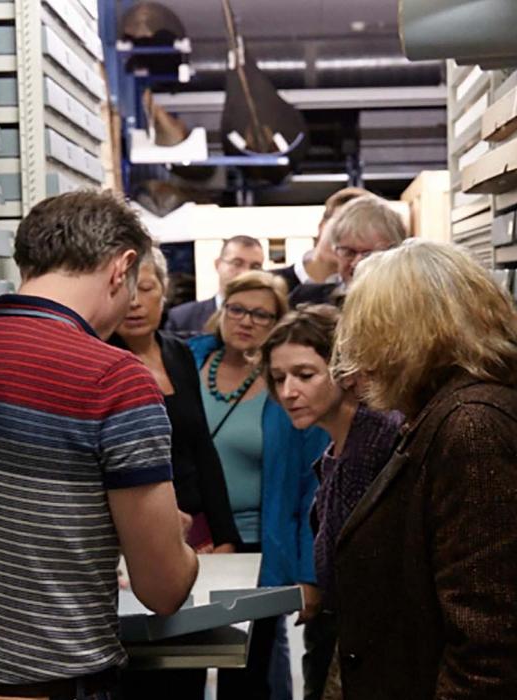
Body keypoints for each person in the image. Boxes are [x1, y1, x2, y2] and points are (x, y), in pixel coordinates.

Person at [0, 190, 199, 700]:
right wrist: (173, 540)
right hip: (57, 685)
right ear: (121, 268)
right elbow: (163, 589)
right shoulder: (115, 378)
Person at [327, 239, 517, 700]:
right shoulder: (446, 415)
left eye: (367, 331)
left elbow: (492, 645)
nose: (358, 351)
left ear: (403, 337)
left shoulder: (472, 429)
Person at [188, 270, 329, 700]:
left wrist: (308, 576)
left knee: (247, 674)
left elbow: (313, 488)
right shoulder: (186, 361)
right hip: (192, 542)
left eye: (261, 315)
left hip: (257, 548)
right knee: (179, 663)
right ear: (221, 310)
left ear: (276, 326)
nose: (245, 320)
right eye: (237, 309)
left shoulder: (288, 387)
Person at [111, 252, 238, 700]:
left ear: (165, 293)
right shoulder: (104, 361)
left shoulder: (178, 353)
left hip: (196, 531)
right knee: (144, 670)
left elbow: (203, 446)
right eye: (126, 290)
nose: (135, 302)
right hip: (134, 535)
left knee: (191, 662)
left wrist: (225, 534)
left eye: (146, 289)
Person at [259, 306, 402, 700]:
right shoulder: (340, 446)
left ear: (344, 369)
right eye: (278, 378)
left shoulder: (376, 441)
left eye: (305, 375)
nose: (289, 392)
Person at [292, 196, 407, 308]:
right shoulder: (308, 302)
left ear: (394, 253)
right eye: (348, 252)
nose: (356, 263)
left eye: (368, 254)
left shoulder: (412, 305)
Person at [274, 187, 372, 296]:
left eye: (359, 231)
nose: (348, 238)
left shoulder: (366, 294)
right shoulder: (271, 284)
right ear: (322, 226)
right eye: (340, 226)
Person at [165, 235, 266, 335]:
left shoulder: (269, 319)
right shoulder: (183, 318)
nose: (245, 272)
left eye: (255, 267)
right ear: (218, 264)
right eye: (237, 263)